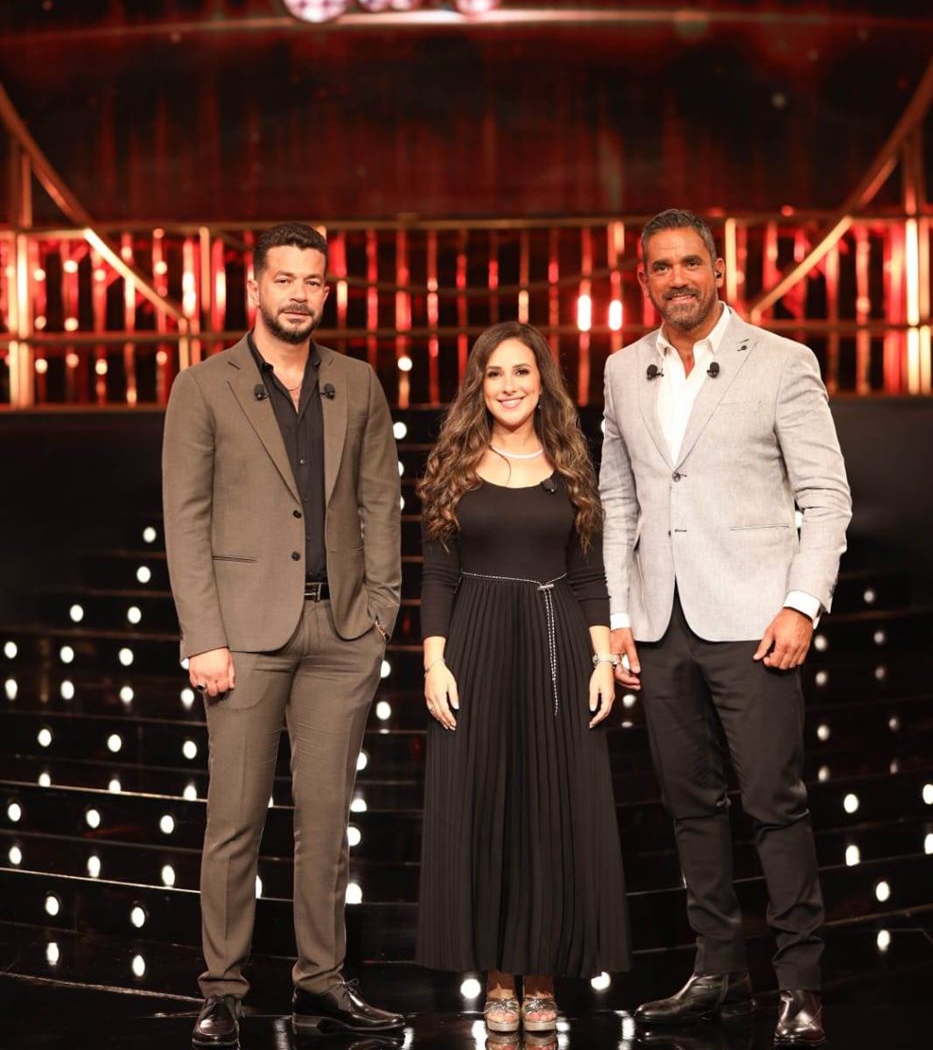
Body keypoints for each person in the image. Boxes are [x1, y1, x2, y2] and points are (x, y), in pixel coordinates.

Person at [600, 209, 851, 1048]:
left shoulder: (781, 361)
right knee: (688, 805)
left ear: (718, 270)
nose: (676, 279)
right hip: (660, 623)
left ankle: (799, 987)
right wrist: (619, 616)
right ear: (642, 279)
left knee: (774, 805)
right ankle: (715, 973)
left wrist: (801, 603)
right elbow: (617, 500)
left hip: (754, 622)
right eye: (659, 267)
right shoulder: (622, 369)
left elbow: (825, 496)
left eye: (689, 263)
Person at [162, 222, 405, 1047]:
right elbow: (186, 520)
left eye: (313, 281)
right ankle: (221, 990)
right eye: (285, 279)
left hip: (342, 633)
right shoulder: (204, 386)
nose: (299, 294)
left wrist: (379, 614)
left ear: (326, 291)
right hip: (243, 636)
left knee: (325, 823)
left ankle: (321, 981)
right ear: (254, 288)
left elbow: (379, 501)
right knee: (234, 822)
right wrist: (204, 636)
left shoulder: (356, 382)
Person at [416, 322, 629, 1034]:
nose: (508, 385)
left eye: (522, 372)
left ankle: (540, 978)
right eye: (495, 373)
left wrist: (602, 660)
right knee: (483, 813)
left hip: (555, 644)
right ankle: (497, 980)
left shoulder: (571, 461)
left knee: (549, 814)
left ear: (543, 382)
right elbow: (438, 574)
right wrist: (434, 662)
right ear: (478, 385)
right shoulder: (453, 462)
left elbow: (588, 574)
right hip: (474, 643)